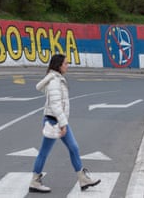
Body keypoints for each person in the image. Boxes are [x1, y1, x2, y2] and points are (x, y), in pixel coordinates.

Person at [29, 54, 101, 193]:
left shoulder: (56, 79)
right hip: (53, 121)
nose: (67, 66)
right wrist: (62, 124)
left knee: (74, 148)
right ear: (59, 66)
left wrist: (63, 122)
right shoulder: (55, 81)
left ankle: (83, 179)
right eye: (66, 63)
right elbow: (56, 105)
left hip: (57, 120)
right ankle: (35, 181)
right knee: (44, 152)